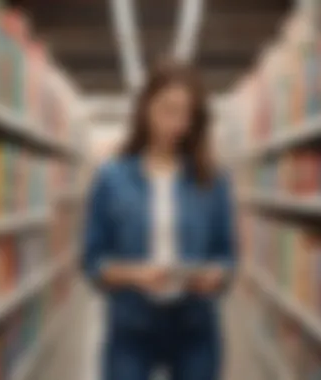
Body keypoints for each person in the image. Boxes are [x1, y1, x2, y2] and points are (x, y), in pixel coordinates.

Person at [82, 61, 236, 380]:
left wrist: (216, 275)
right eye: (168, 109)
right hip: (131, 326)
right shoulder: (111, 178)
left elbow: (227, 255)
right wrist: (134, 274)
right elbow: (92, 260)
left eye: (186, 114)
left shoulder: (212, 179)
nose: (177, 123)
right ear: (145, 108)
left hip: (194, 325)